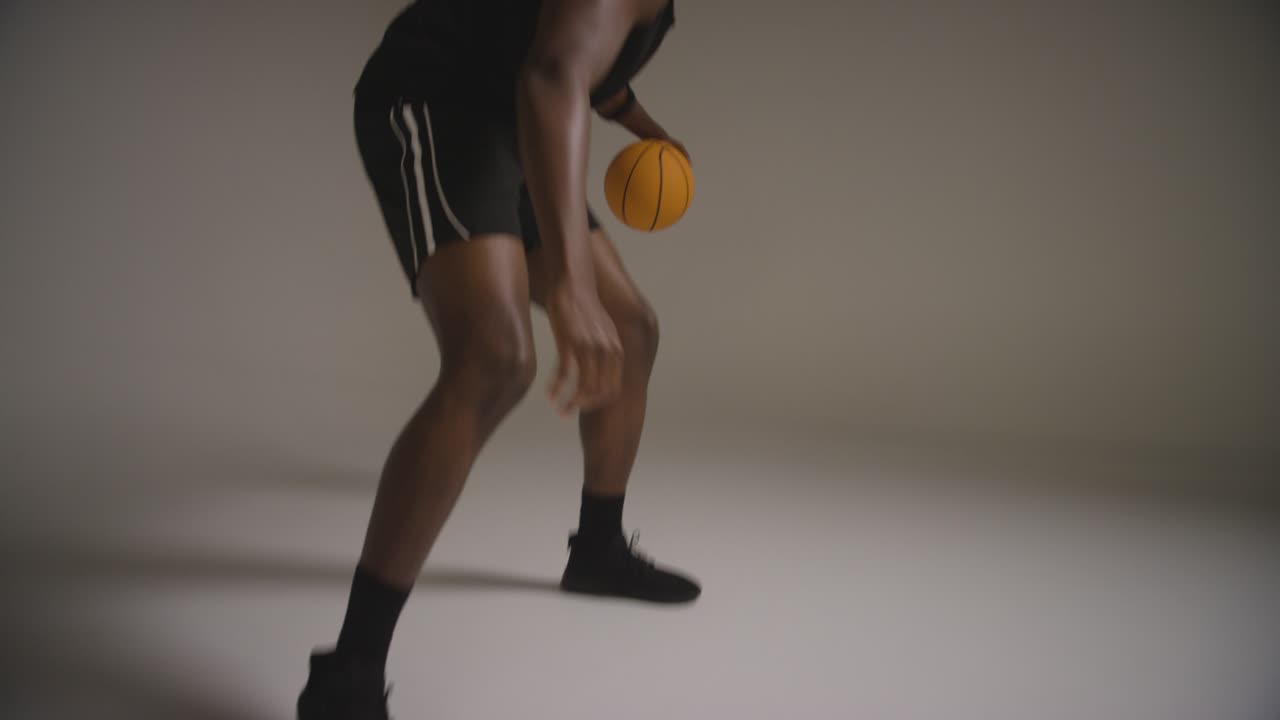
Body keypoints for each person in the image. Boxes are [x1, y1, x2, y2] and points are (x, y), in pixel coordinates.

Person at [298, 0, 699, 717]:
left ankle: (597, 552)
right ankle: (348, 671)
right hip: (437, 102)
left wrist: (645, 129)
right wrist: (573, 286)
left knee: (630, 330)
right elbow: (553, 75)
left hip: (508, 119)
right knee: (494, 359)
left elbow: (582, 62)